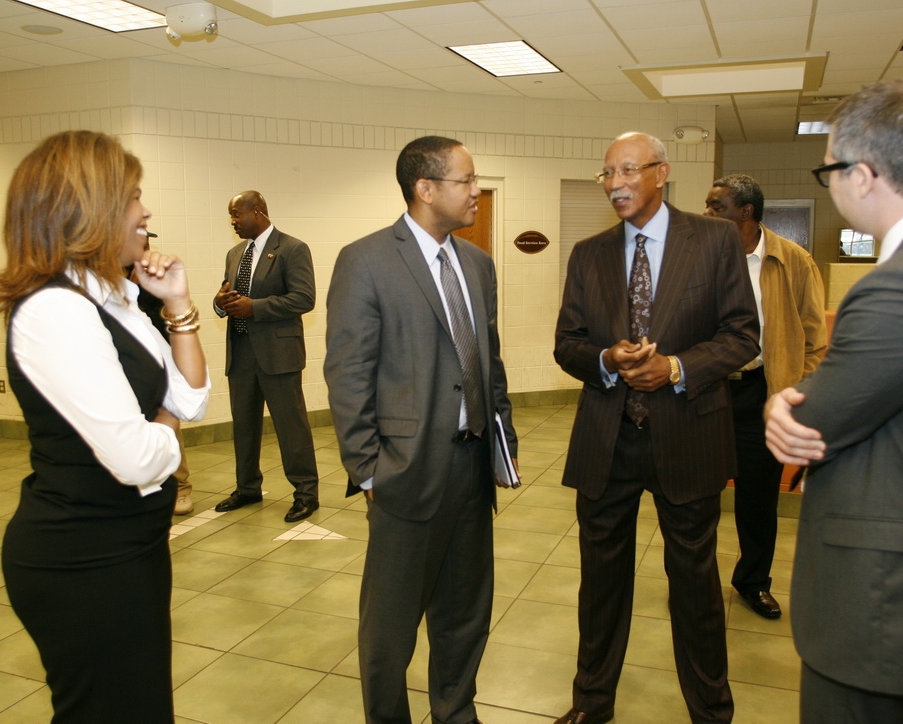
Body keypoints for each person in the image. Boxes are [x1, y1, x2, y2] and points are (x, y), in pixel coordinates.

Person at [764, 80, 903, 723]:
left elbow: (811, 420)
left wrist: (777, 402)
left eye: (829, 170)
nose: (830, 184)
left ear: (862, 175)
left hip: (882, 599)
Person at [0, 130, 210, 722]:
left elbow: (194, 397)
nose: (147, 211)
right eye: (134, 195)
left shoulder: (113, 294)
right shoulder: (55, 309)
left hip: (129, 544)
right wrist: (169, 422)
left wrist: (177, 305)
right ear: (92, 208)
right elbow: (140, 456)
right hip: (82, 560)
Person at [553, 132, 759, 724]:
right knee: (600, 586)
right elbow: (567, 344)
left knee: (694, 587)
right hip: (606, 441)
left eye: (627, 171)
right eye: (606, 173)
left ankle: (712, 711)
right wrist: (605, 361)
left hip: (689, 434)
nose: (615, 183)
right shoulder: (588, 254)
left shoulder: (715, 240)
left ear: (661, 172)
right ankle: (592, 705)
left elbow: (742, 335)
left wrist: (675, 367)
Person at [324, 135, 517, 724]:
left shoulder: (478, 264)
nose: (477, 190)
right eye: (466, 180)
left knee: (464, 614)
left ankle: (456, 712)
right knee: (390, 627)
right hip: (405, 473)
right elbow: (348, 371)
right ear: (425, 189)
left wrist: (501, 444)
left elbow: (491, 362)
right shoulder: (367, 260)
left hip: (471, 467)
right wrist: (368, 470)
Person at [703, 173, 827, 619]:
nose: (707, 214)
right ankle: (695, 585)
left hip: (763, 395)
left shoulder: (792, 261)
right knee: (696, 500)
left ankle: (753, 582)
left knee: (758, 502)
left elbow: (815, 337)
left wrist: (796, 390)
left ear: (746, 212)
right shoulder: (698, 257)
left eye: (716, 206)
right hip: (706, 395)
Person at [213, 191, 319, 522]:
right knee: (244, 425)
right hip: (241, 353)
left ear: (257, 212)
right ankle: (247, 488)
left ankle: (306, 493)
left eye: (236, 214)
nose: (232, 221)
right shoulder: (234, 253)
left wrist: (254, 307)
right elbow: (228, 292)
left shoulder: (292, 248)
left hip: (278, 354)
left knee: (291, 427)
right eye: (230, 215)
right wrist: (219, 302)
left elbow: (304, 298)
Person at [134, 254, 196, 516]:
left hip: (160, 356)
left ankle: (181, 485)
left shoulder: (155, 270)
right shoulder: (106, 270)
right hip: (126, 357)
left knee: (167, 419)